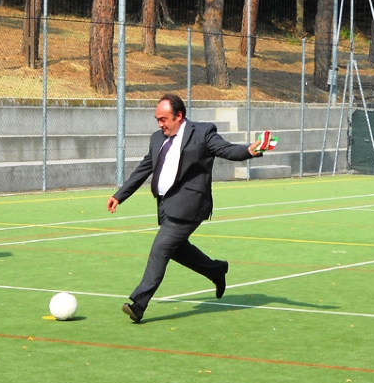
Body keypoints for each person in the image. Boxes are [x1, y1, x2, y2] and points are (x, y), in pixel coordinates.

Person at [106, 94, 265, 322]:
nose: (160, 124)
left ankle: (139, 304)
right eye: (157, 119)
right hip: (165, 206)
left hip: (190, 205)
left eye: (163, 119)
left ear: (178, 116)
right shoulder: (157, 139)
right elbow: (144, 168)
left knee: (161, 248)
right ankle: (215, 270)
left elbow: (226, 150)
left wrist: (249, 150)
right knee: (177, 249)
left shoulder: (202, 132)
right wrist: (119, 195)